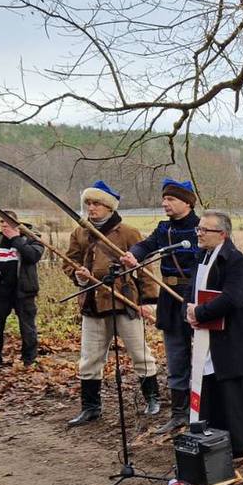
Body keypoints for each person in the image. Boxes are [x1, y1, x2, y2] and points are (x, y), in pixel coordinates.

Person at [63, 180, 160, 426]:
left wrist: (149, 301)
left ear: (108, 206)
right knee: (90, 357)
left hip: (125, 301)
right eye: (88, 203)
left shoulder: (127, 233)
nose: (91, 208)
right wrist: (79, 274)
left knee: (140, 354)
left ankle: (152, 399)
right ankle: (91, 407)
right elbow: (69, 262)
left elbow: (146, 266)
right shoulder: (79, 232)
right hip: (93, 303)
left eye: (96, 203)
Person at [122, 178, 200, 435]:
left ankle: (202, 411)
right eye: (164, 199)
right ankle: (179, 414)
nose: (165, 203)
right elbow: (146, 245)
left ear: (187, 202)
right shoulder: (163, 229)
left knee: (201, 358)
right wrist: (135, 254)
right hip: (169, 296)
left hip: (196, 296)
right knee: (176, 356)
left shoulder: (201, 227)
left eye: (171, 199)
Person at [186, 211, 243, 458]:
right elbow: (191, 293)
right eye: (198, 229)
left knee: (232, 394)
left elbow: (232, 298)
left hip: (231, 339)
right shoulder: (202, 257)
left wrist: (201, 312)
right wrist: (188, 312)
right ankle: (213, 440)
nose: (199, 234)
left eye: (204, 230)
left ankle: (239, 444)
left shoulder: (236, 261)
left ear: (222, 234)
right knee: (210, 390)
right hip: (205, 337)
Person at [0, 212, 44, 371]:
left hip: (23, 290)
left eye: (7, 222)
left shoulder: (32, 238)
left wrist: (15, 239)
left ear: (16, 223)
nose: (4, 225)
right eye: (1, 222)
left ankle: (30, 359)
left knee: (27, 327)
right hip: (0, 290)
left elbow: (33, 256)